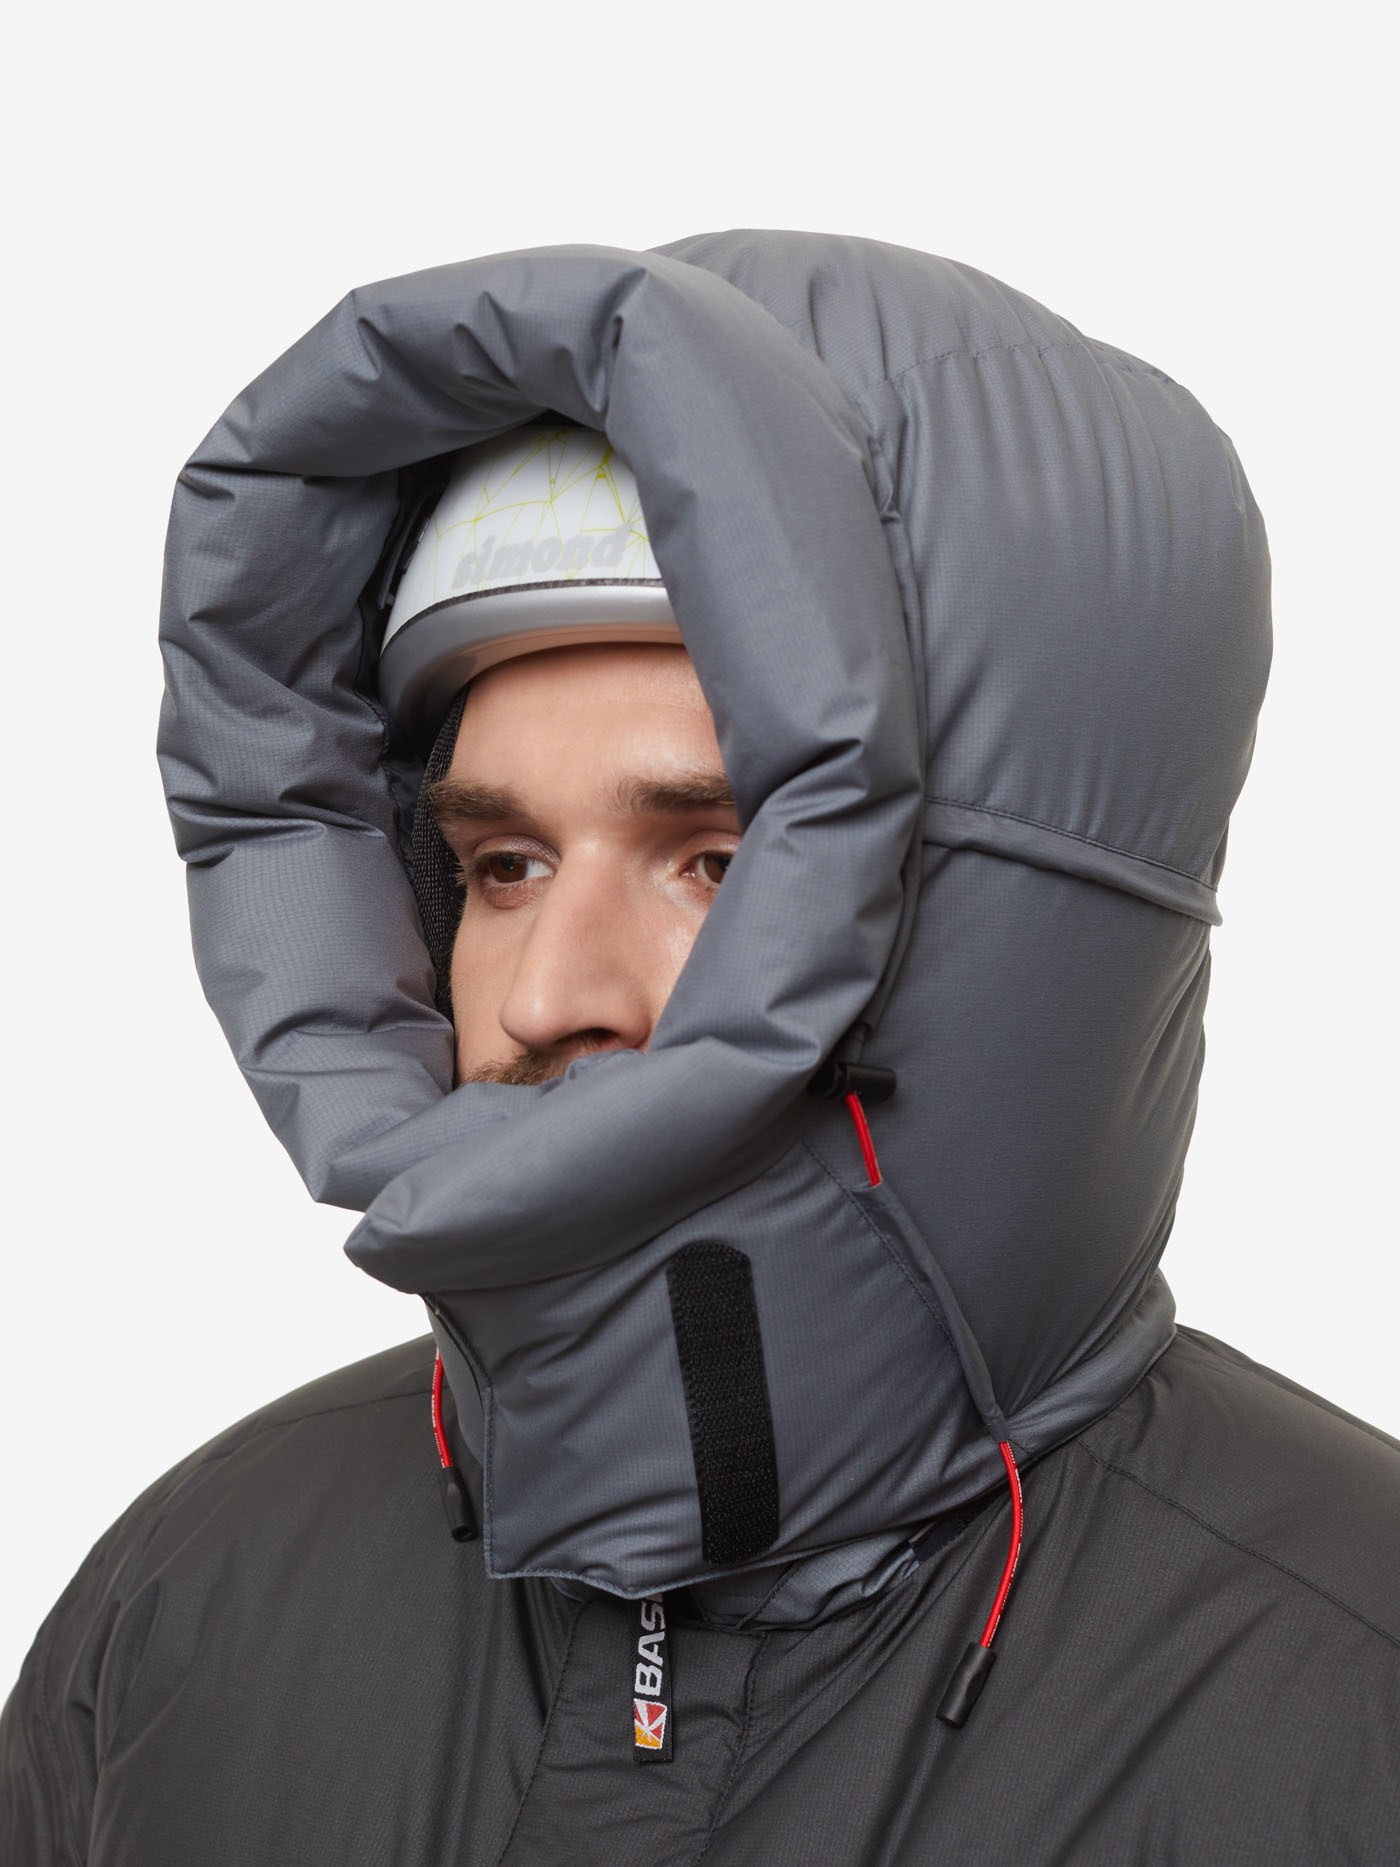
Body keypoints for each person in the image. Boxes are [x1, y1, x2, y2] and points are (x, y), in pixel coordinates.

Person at [3, 232, 1398, 1865]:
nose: (547, 997)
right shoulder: (187, 1614)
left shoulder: (1350, 1705)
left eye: (716, 862)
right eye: (503, 865)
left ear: (1010, 946)